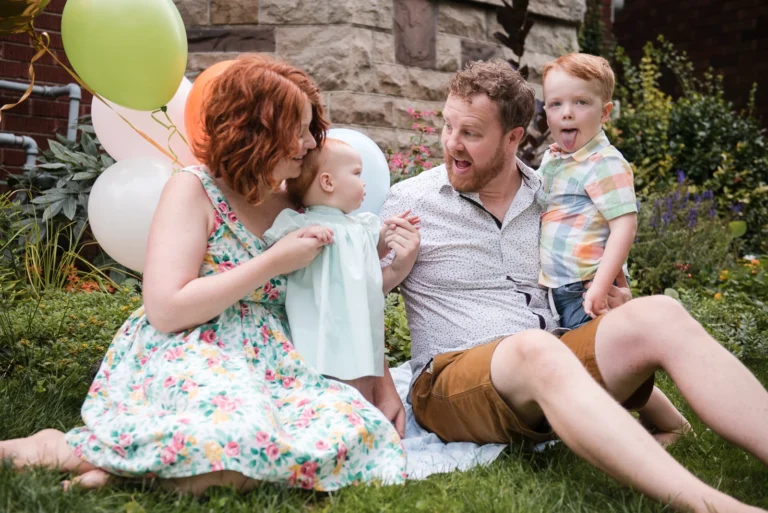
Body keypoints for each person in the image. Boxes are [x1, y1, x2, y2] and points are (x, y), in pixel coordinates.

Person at [0, 55, 406, 494]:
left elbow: (344, 296)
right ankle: (62, 450)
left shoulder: (299, 199)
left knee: (361, 433)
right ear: (258, 131)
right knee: (239, 439)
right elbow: (167, 309)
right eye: (300, 129)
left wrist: (382, 384)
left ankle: (118, 472)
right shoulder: (194, 190)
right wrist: (271, 262)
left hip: (281, 360)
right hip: (195, 346)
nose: (311, 143)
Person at [379, 58, 768, 513]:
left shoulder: (551, 194)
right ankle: (713, 507)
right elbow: (347, 303)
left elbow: (589, 264)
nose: (451, 144)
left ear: (513, 138)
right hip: (450, 382)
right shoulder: (408, 203)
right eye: (448, 126)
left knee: (658, 312)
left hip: (554, 361)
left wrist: (613, 299)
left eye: (470, 133)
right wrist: (389, 274)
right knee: (534, 347)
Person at [538, 52, 690, 445]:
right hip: (558, 285)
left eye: (580, 103)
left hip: (584, 285)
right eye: (556, 104)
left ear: (604, 112)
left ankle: (664, 425)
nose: (566, 114)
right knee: (587, 362)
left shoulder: (604, 162)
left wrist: (600, 286)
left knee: (602, 366)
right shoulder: (555, 159)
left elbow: (624, 224)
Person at [263, 139, 419, 403]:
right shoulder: (300, 224)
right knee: (326, 387)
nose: (364, 182)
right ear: (328, 182)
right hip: (317, 330)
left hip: (357, 329)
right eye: (357, 174)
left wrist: (389, 233)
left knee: (362, 386)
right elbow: (274, 247)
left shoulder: (361, 226)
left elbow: (371, 256)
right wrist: (303, 235)